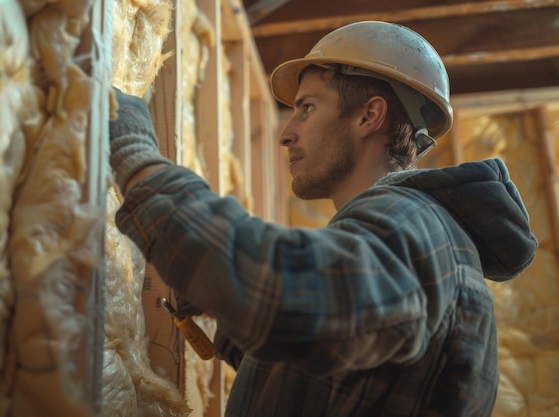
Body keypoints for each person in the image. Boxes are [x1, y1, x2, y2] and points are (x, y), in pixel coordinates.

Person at [108, 21, 538, 417]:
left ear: (369, 116)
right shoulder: (419, 234)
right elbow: (335, 371)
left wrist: (139, 162)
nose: (285, 133)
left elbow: (284, 295)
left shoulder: (414, 222)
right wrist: (226, 321)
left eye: (307, 108)